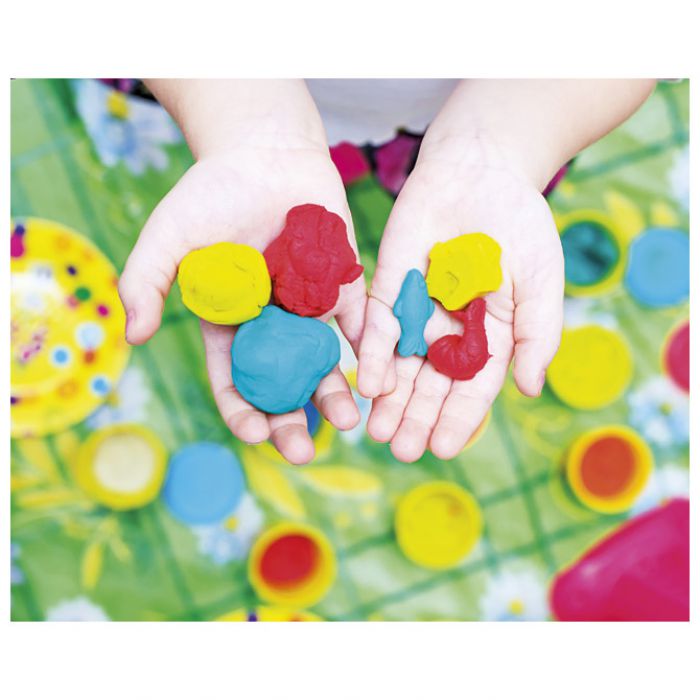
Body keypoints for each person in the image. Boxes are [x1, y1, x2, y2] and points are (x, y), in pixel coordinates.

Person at [117, 79, 655, 464]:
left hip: (505, 103)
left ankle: (378, 159)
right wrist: (241, 125)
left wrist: (502, 149)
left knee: (398, 160)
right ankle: (337, 153)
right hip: (236, 91)